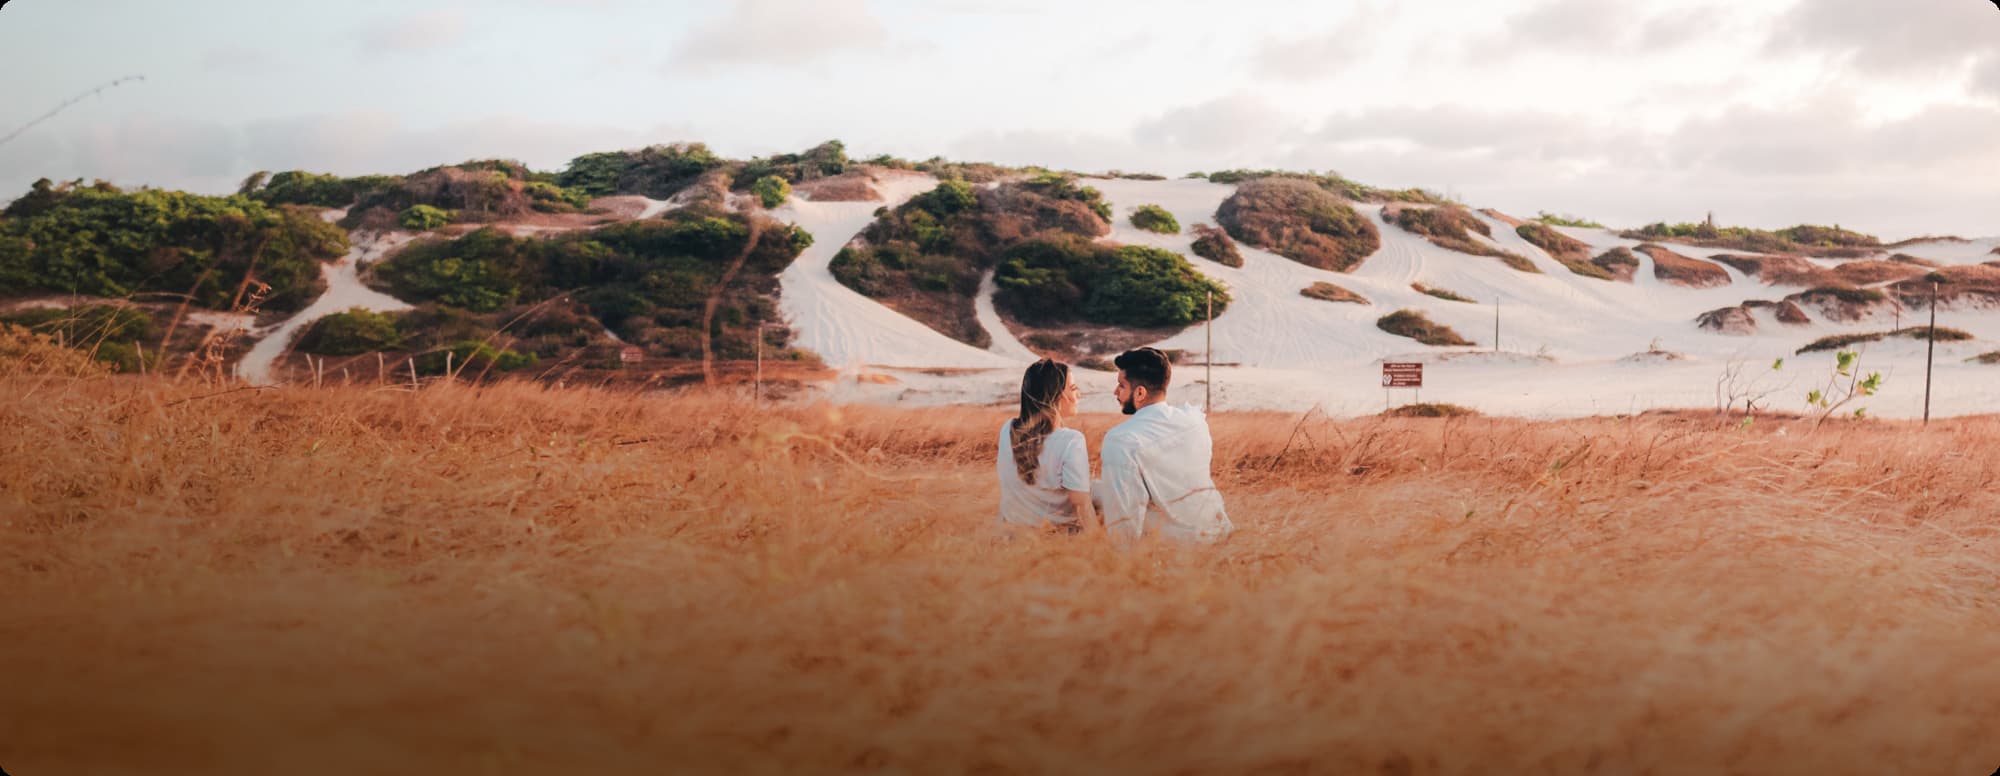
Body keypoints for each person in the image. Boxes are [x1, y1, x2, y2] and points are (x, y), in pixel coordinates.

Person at [1095, 347, 1232, 542]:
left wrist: (1121, 567)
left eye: (1121, 385)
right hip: (1218, 534)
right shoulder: (1195, 421)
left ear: (1140, 393)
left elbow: (1124, 520)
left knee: (1092, 495)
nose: (1115, 392)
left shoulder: (1122, 439)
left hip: (1175, 549)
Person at [996, 359, 1097, 534]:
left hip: (1013, 534)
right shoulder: (1071, 440)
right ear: (1056, 395)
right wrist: (1100, 546)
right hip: (1056, 538)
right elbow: (1081, 504)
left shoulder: (1008, 429)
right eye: (1073, 389)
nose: (1078, 395)